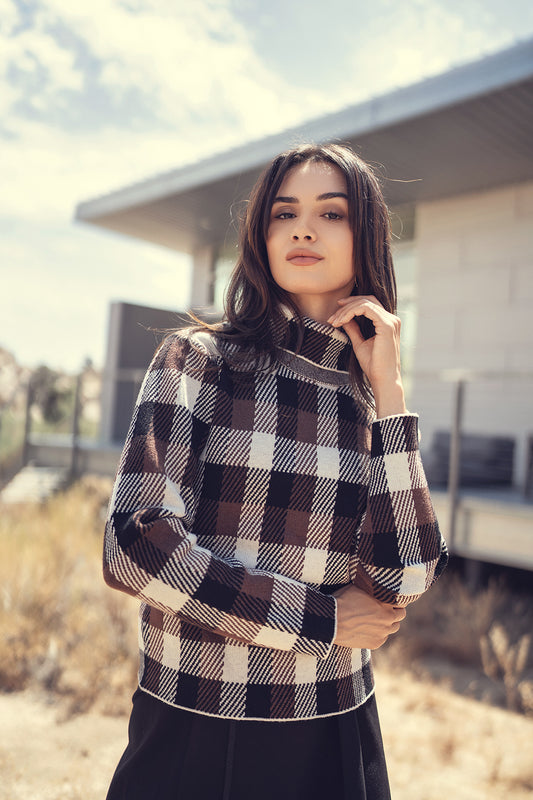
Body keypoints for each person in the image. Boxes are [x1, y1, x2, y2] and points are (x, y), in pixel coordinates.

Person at [103, 142, 448, 799]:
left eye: (332, 213)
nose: (303, 228)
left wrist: (392, 396)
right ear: (261, 234)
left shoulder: (370, 395)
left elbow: (401, 578)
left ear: (367, 235)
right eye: (283, 212)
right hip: (200, 722)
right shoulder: (201, 359)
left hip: (338, 726)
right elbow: (136, 547)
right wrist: (319, 620)